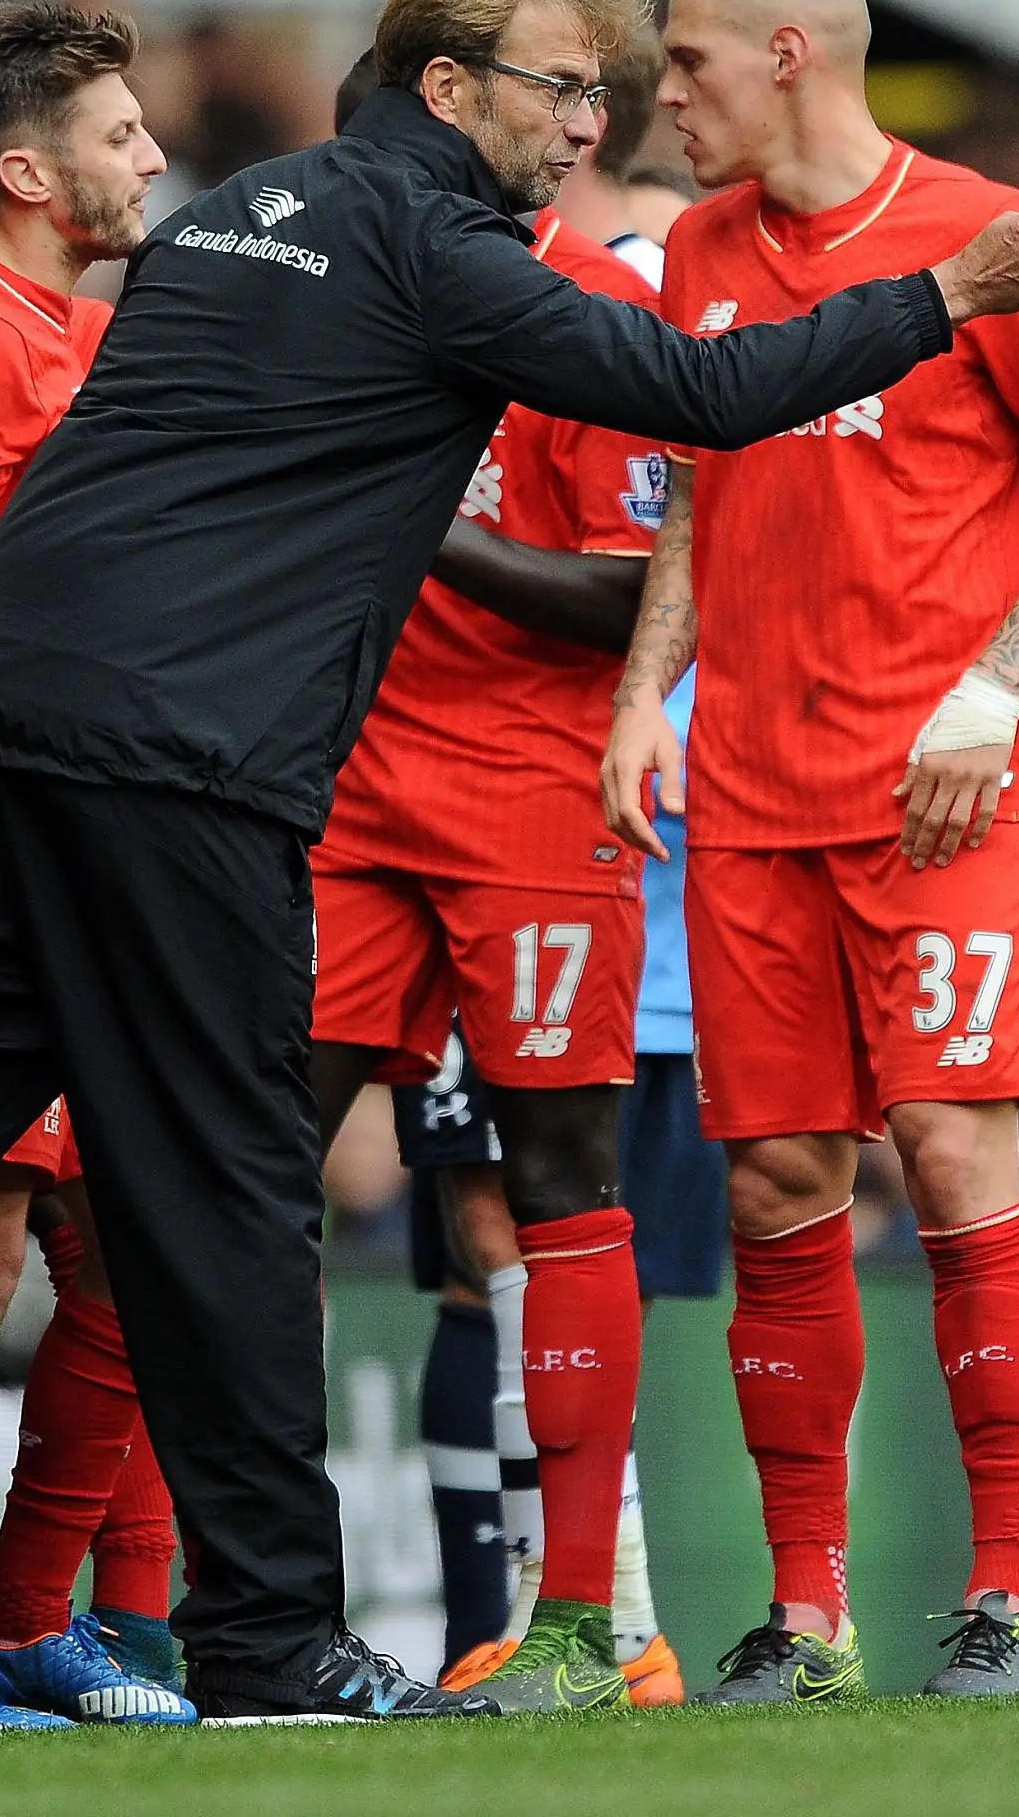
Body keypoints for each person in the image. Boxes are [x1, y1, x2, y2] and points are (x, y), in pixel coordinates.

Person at [0, 0, 1019, 1733]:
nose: (589, 124)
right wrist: (940, 298)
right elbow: (702, 396)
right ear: (447, 86)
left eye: (603, 91)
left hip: (1, 728)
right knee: (233, 1194)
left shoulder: (218, 220)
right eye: (561, 88)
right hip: (175, 768)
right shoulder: (433, 242)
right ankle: (269, 1641)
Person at [597, 0, 1019, 1704]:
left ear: (782, 55)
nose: (658, 97)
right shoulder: (692, 250)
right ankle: (806, 1610)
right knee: (774, 1181)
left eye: (683, 64)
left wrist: (991, 685)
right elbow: (691, 493)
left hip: (935, 789)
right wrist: (637, 693)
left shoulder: (976, 236)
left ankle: (1005, 1596)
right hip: (746, 794)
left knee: (947, 1148)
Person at [307, 99, 679, 1709]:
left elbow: (634, 594)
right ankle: (227, 1611)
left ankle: (593, 1621)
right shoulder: (312, 296)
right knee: (239, 1160)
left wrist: (428, 531)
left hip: (532, 788)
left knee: (550, 1184)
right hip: (336, 789)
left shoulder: (594, 303)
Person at [0, 1, 196, 1730]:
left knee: (118, 1254)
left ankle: (8, 1619)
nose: (151, 156)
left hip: (80, 844)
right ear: (24, 171)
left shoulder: (51, 333)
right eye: (122, 133)